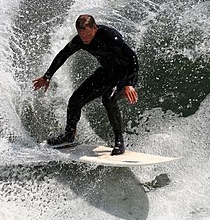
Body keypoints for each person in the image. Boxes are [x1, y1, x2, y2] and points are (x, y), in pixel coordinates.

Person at [33, 14, 139, 155]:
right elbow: (63, 54)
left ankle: (119, 142)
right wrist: (47, 76)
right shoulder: (80, 40)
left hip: (124, 74)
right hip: (106, 73)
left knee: (108, 99)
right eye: (82, 36)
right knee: (75, 100)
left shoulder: (110, 37)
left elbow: (132, 58)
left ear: (94, 28)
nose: (85, 39)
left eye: (87, 35)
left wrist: (129, 84)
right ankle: (69, 136)